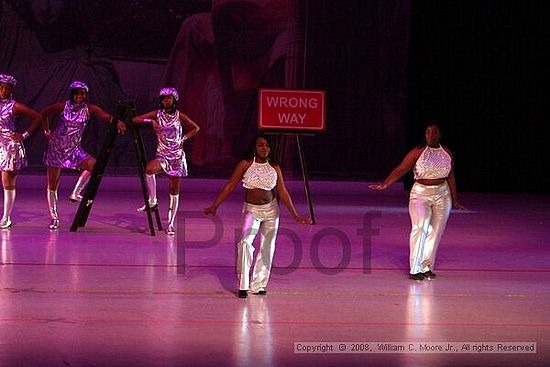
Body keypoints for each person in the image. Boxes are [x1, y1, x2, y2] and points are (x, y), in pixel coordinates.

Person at [203, 134, 311, 298]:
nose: (264, 148)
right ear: (254, 147)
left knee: (267, 247)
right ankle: (243, 285)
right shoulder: (245, 164)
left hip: (271, 211)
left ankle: (259, 284)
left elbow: (282, 192)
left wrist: (296, 215)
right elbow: (230, 186)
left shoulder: (274, 167)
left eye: (267, 145)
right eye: (261, 145)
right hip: (252, 210)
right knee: (245, 242)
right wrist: (214, 206)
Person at [369, 121, 466, 280]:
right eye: (428, 132)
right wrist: (385, 184)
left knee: (435, 232)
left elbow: (451, 176)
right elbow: (401, 168)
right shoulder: (418, 152)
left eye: (434, 132)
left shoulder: (446, 152)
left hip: (443, 194)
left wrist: (455, 200)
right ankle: (415, 269)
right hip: (421, 193)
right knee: (420, 228)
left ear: (440, 134)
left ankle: (426, 266)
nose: (430, 135)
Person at [41, 81, 126, 230]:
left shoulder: (89, 108)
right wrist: (47, 131)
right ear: (72, 94)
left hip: (74, 149)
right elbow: (45, 112)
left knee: (95, 165)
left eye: (82, 94)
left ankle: (75, 192)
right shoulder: (63, 106)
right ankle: (54, 217)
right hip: (57, 149)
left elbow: (105, 116)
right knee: (53, 186)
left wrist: (117, 121)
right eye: (77, 93)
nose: (80, 96)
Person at [131, 87, 200, 236]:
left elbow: (196, 128)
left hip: (177, 157)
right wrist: (150, 121)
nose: (166, 100)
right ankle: (153, 200)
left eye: (168, 98)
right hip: (162, 155)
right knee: (149, 169)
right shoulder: (157, 114)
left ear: (174, 99)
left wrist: (184, 139)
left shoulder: (179, 116)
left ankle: (170, 223)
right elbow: (135, 119)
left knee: (173, 191)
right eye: (163, 98)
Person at [0, 73, 41, 228]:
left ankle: (6, 218)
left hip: (9, 147)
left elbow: (37, 117)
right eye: (1, 87)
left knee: (7, 183)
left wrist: (24, 135)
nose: (3, 91)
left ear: (11, 90)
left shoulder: (14, 105)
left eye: (7, 88)